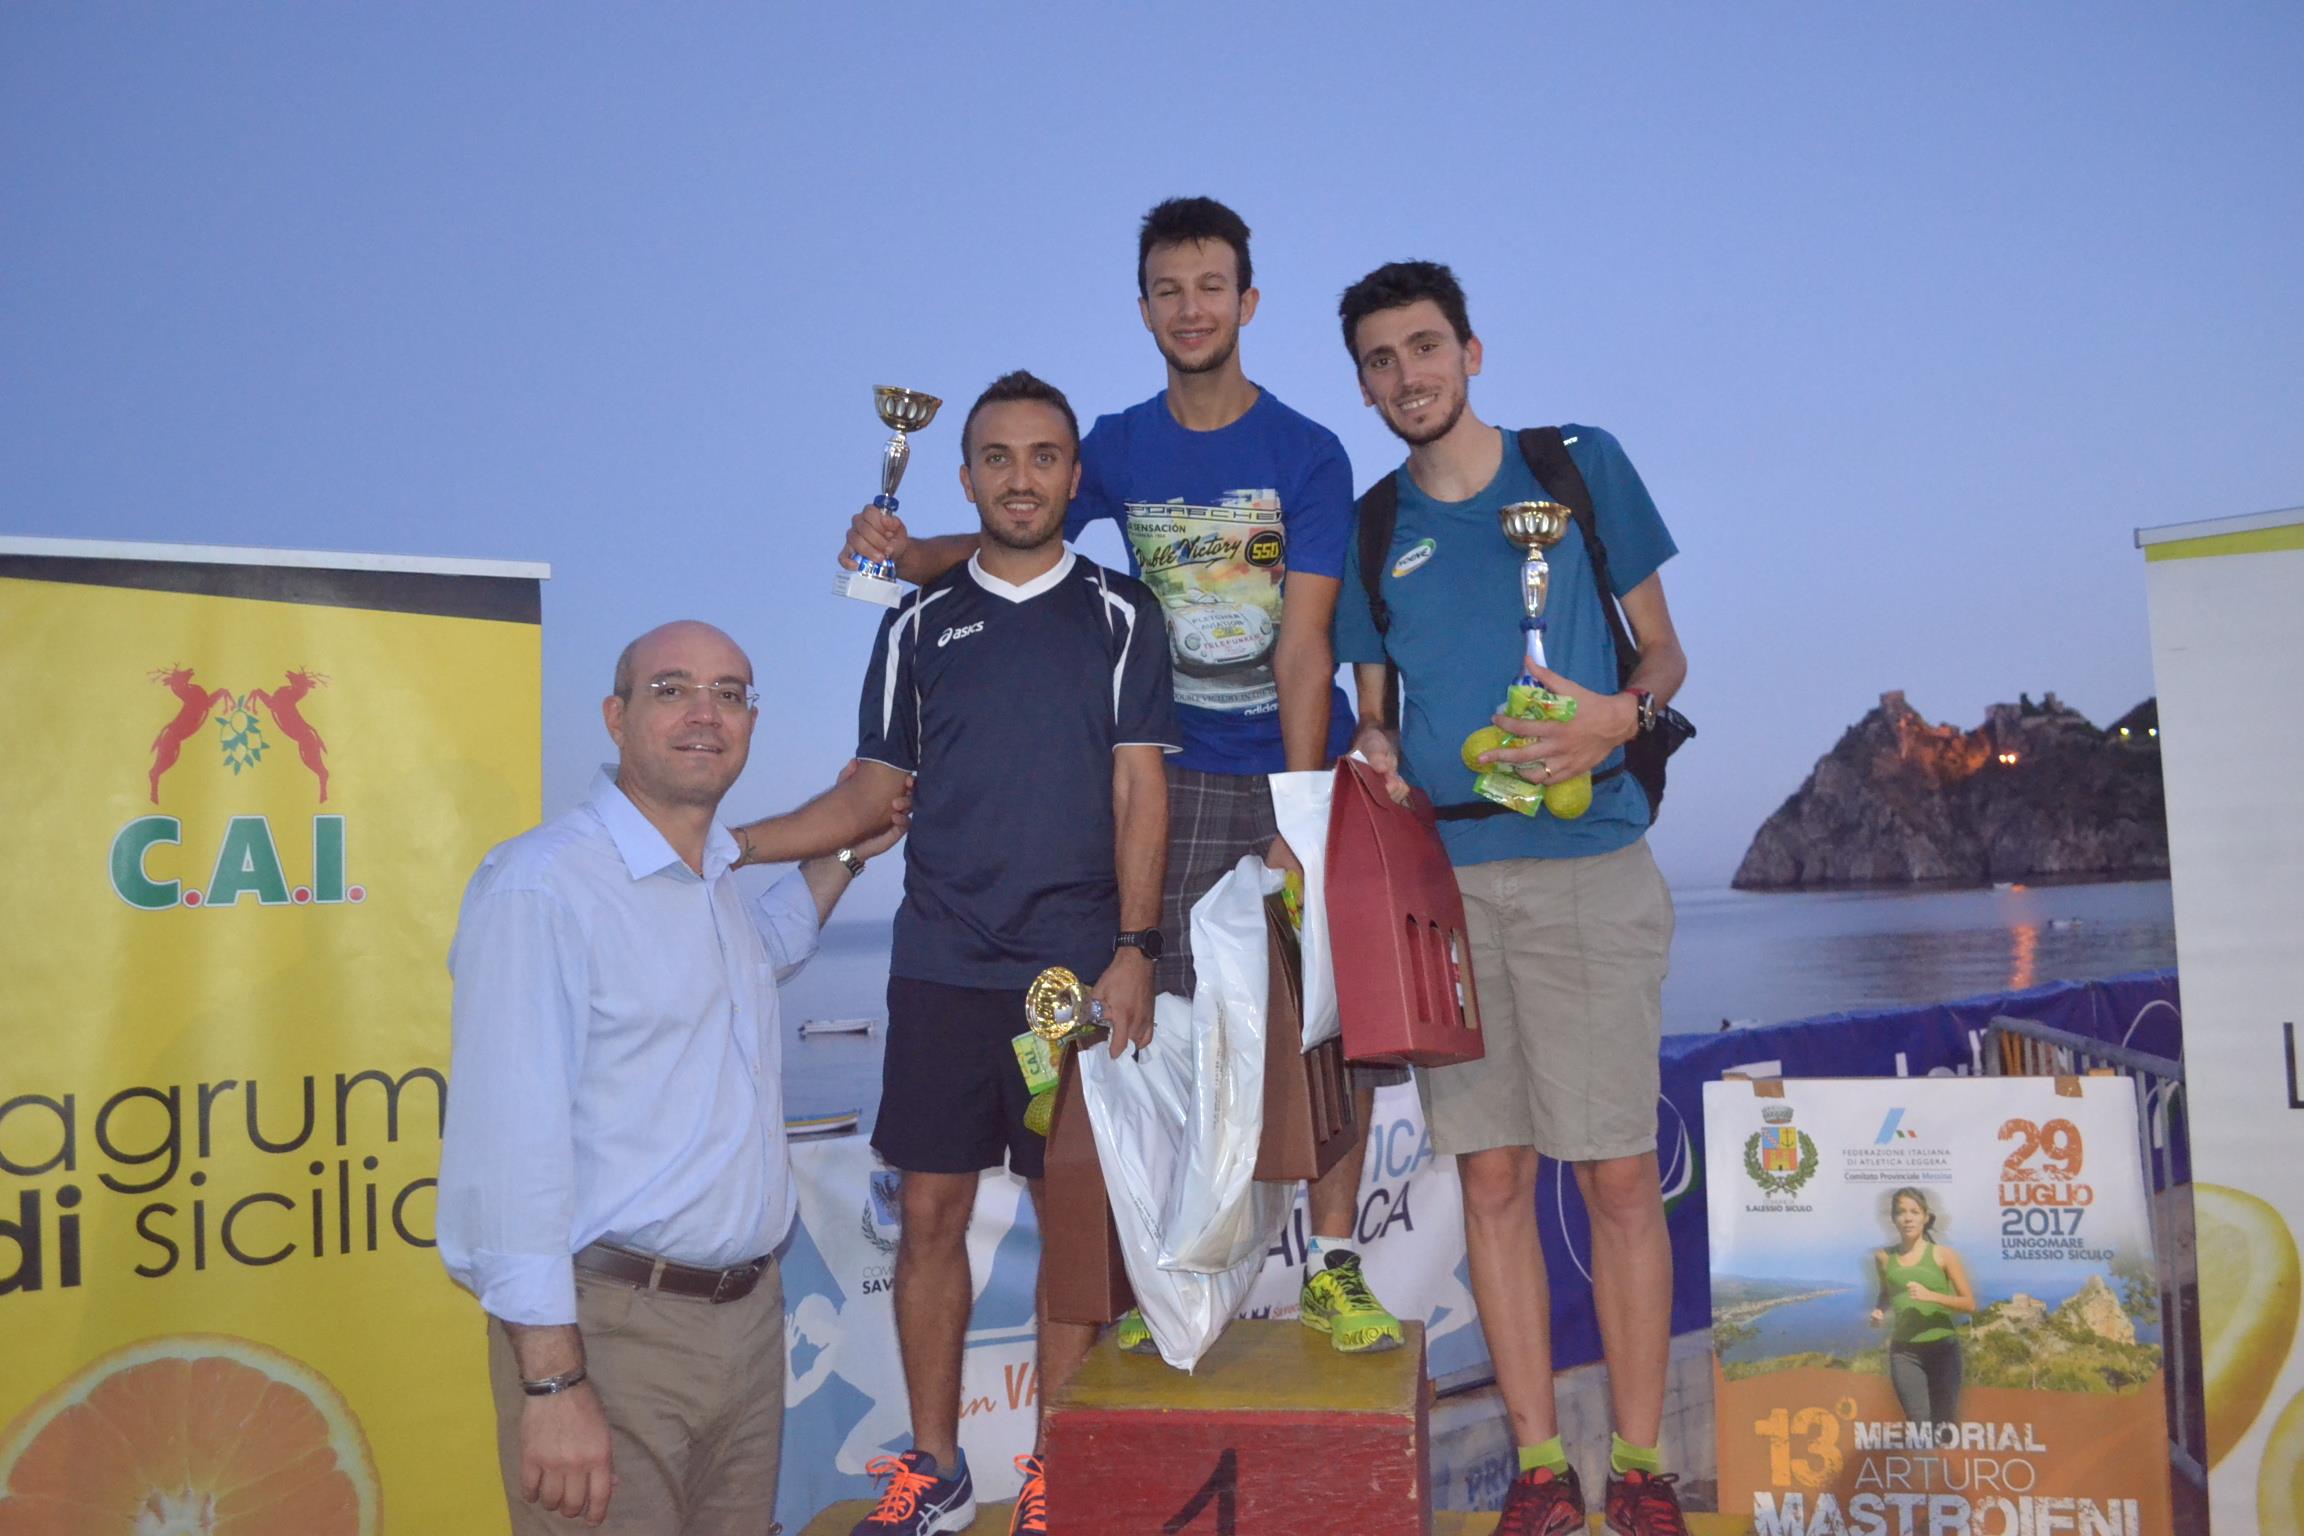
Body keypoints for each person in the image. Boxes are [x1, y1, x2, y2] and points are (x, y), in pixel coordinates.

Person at [841, 196, 1407, 1362]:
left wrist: (1302, 815)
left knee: (1324, 1022)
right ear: (1143, 308)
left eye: (1211, 287)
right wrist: (906, 556)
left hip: (1297, 770)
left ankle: (1334, 1263)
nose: (1190, 309)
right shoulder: (1118, 444)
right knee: (1173, 1031)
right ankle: (1177, 1274)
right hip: (1174, 771)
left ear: (1248, 302)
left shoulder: (1308, 451)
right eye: (1168, 289)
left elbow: (1306, 645)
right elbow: (1020, 539)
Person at [773, 371, 1176, 1536]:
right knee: (931, 1220)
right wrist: (730, 844)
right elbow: (872, 793)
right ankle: (939, 1470)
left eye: (1043, 457)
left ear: (1072, 477)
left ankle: (1059, 1473)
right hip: (941, 966)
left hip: (1072, 977)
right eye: (997, 458)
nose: (1020, 478)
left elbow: (1140, 792)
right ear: (964, 478)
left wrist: (1136, 950)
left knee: (1073, 1230)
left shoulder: (1122, 614)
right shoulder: (916, 623)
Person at [1331, 260, 1693, 1536]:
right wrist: (1373, 754)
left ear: (1472, 352)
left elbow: (1666, 651)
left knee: (1617, 1179)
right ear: (1364, 385)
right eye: (1380, 361)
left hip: (1592, 866)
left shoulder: (1577, 465)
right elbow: (1376, 717)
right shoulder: (1375, 530)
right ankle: (1541, 1471)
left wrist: (1618, 717)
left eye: (1425, 347)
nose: (1407, 376)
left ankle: (1640, 1469)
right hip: (1452, 894)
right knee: (1490, 1182)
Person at [437, 620, 907, 1534]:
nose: (705, 712)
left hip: (746, 1327)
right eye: (672, 689)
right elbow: (505, 1157)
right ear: (616, 717)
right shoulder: (544, 887)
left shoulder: (709, 883)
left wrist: (847, 855)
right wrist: (552, 1383)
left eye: (730, 694)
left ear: (751, 722)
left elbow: (762, 951)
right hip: (612, 1336)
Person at [1869, 1186, 1975, 1428]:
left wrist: (1931, 1296)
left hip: (1943, 1350)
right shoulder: (1883, 1257)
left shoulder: (1944, 1255)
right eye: (1901, 1212)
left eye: (1914, 1212)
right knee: (1919, 1424)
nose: (1907, 1218)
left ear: (1925, 1217)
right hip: (1904, 1352)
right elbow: (1886, 1293)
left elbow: (1969, 1303)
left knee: (1944, 1425)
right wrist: (1879, 1310)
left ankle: (1943, 1452)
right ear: (1893, 1218)